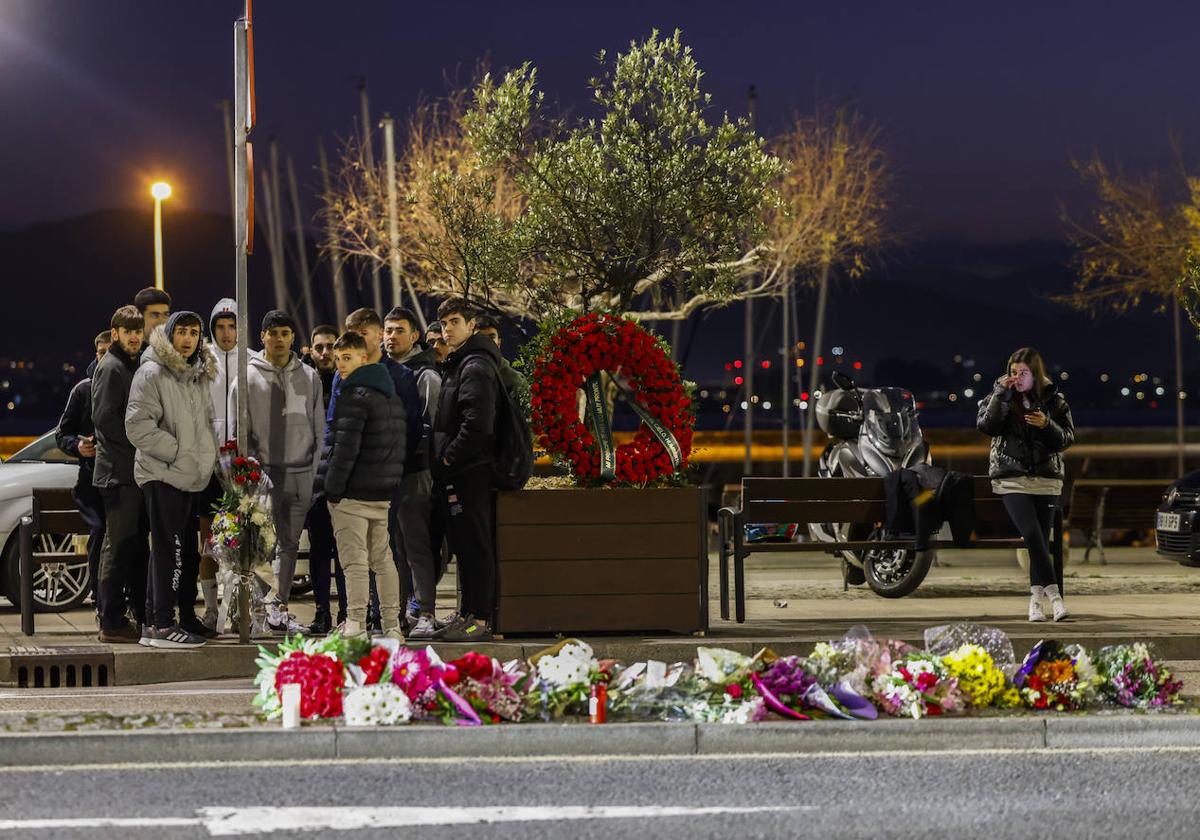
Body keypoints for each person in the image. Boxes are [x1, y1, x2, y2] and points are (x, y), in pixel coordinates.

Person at [125, 311, 218, 649]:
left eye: (194, 332)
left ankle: (154, 623)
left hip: (186, 476)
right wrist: (178, 453)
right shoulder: (152, 371)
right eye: (182, 331)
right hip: (162, 473)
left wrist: (202, 458)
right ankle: (164, 623)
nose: (189, 338)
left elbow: (204, 424)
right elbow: (137, 426)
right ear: (169, 334)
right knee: (171, 550)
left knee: (170, 550)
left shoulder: (194, 375)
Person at [229, 310, 324, 635]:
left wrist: (312, 473)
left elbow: (319, 427)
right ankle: (254, 605)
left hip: (300, 474)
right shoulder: (247, 377)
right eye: (274, 333)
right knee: (252, 546)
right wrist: (250, 471)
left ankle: (279, 608)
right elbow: (237, 431)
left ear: (293, 338)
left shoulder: (309, 377)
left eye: (285, 333)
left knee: (289, 543)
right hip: (263, 476)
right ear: (263, 336)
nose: (280, 339)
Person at [336, 308, 423, 633]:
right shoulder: (343, 374)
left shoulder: (398, 376)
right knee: (359, 556)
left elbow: (410, 428)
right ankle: (362, 619)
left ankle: (385, 619)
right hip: (353, 483)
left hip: (382, 482)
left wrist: (388, 467)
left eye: (365, 334)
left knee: (382, 553)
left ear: (375, 336)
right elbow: (335, 425)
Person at [319, 331, 407, 640]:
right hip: (381, 494)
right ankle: (392, 625)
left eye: (347, 358)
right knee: (383, 560)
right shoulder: (389, 394)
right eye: (339, 358)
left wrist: (332, 489)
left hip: (352, 494)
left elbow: (344, 448)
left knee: (354, 561)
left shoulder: (353, 395)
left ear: (363, 358)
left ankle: (355, 624)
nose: (341, 365)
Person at [977, 347, 1075, 623]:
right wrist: (1001, 395)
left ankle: (1035, 603)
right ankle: (1055, 598)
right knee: (1032, 535)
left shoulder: (1055, 401)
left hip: (1046, 480)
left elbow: (1066, 439)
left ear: (1036, 374)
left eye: (1023, 373)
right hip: (1012, 479)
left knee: (1040, 541)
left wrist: (1046, 425)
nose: (1017, 377)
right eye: (1013, 372)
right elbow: (986, 426)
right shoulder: (1000, 395)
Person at [432, 297, 503, 642]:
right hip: (461, 469)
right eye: (444, 323)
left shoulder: (475, 365)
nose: (447, 329)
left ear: (472, 325)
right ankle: (467, 612)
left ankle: (479, 617)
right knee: (465, 544)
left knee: (475, 546)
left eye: (454, 321)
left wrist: (449, 458)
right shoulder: (461, 361)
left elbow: (477, 424)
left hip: (470, 470)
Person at [92, 306, 149, 643]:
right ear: (114, 333)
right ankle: (110, 620)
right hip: (118, 473)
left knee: (131, 546)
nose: (134, 336)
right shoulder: (111, 367)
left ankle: (123, 615)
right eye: (127, 331)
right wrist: (142, 442)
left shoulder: (130, 365)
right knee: (118, 546)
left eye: (137, 331)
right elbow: (105, 420)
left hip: (130, 473)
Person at [384, 307, 441, 638]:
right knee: (396, 547)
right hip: (390, 474)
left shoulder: (425, 375)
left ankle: (426, 611)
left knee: (417, 544)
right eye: (388, 331)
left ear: (414, 335)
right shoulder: (386, 371)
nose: (392, 337)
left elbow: (430, 427)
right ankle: (404, 608)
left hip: (415, 472)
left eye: (399, 330)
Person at [193, 297, 240, 636]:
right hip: (208, 465)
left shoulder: (252, 362)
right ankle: (211, 609)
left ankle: (241, 608)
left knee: (244, 540)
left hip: (241, 465)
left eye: (232, 326)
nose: (226, 333)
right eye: (220, 327)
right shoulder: (201, 365)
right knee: (208, 542)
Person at [55, 331, 112, 607]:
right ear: (95, 354)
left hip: (120, 477)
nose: (105, 357)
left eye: (110, 352)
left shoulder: (130, 383)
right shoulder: (83, 390)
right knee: (100, 531)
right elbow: (62, 434)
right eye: (101, 352)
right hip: (91, 481)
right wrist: (79, 447)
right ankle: (99, 593)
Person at [304, 325, 347, 633]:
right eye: (319, 347)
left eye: (330, 346)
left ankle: (347, 614)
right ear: (310, 349)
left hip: (343, 482)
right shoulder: (304, 382)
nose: (324, 352)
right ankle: (322, 612)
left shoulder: (348, 380)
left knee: (345, 552)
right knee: (319, 550)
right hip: (314, 482)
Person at [473, 314, 528, 405]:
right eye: (481, 337)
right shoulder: (460, 372)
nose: (487, 342)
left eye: (491, 337)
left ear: (499, 342)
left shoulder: (514, 380)